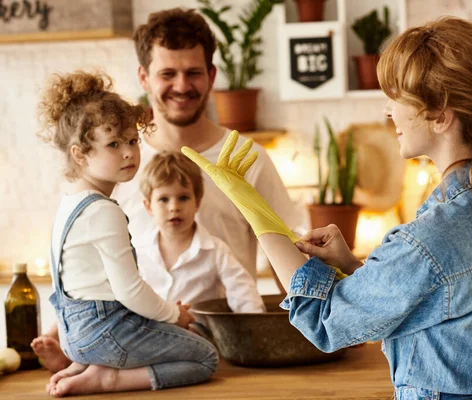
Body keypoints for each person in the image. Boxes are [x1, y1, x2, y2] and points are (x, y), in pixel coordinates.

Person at [183, 17, 472, 399]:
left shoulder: (435, 235)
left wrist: (251, 208)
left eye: (397, 98)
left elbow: (327, 322)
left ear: (440, 115)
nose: (388, 111)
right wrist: (355, 267)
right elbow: (440, 298)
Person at [34, 71, 218, 397]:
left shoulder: (70, 204)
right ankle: (108, 378)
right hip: (103, 334)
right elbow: (130, 291)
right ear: (80, 154)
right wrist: (175, 315)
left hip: (73, 335)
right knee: (205, 356)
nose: (129, 153)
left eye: (133, 141)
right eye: (113, 144)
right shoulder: (103, 211)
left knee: (157, 327)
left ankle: (88, 365)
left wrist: (162, 314)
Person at [111, 8, 305, 279]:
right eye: (167, 74)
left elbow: (291, 264)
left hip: (229, 320)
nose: (181, 86)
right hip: (137, 322)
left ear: (211, 76)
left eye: (193, 73)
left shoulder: (248, 158)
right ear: (144, 77)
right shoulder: (118, 161)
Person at [137, 151, 265, 333]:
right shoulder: (137, 250)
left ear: (197, 202)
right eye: (164, 199)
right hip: (150, 337)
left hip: (200, 336)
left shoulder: (216, 250)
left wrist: (256, 328)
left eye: (183, 198)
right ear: (149, 206)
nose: (174, 207)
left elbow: (242, 291)